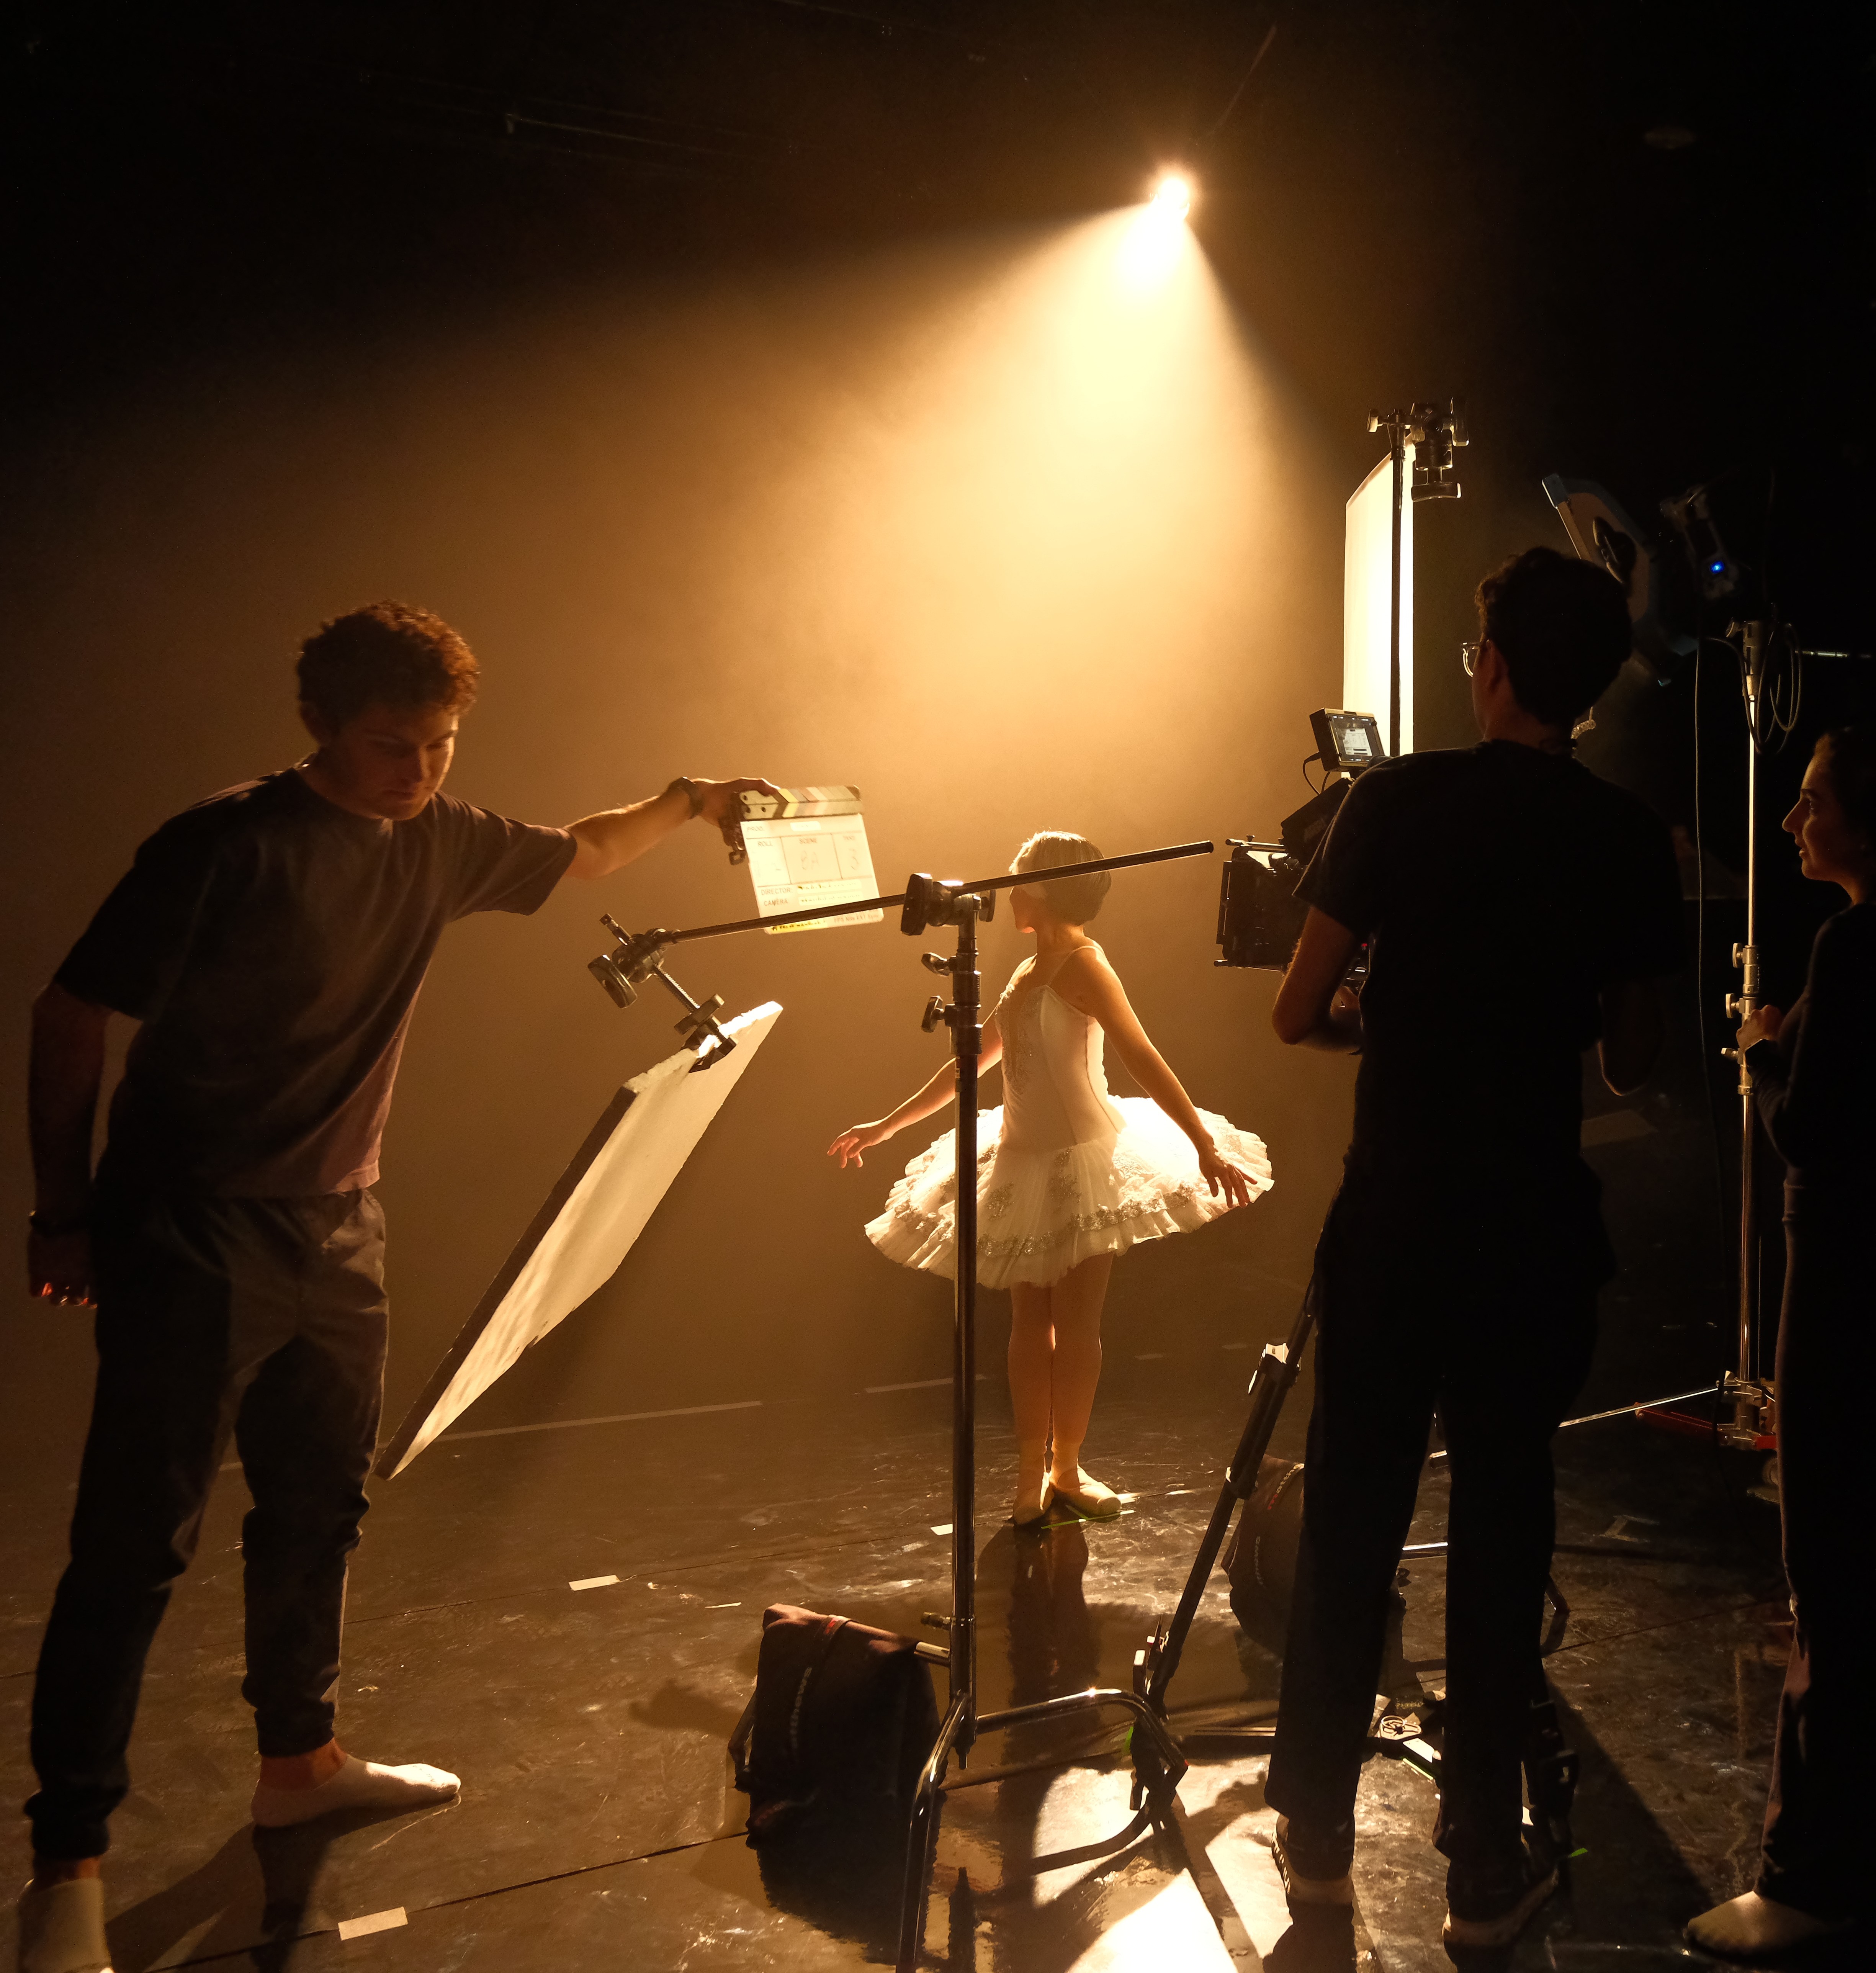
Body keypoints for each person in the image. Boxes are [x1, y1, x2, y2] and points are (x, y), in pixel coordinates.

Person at [16, 600, 779, 1973]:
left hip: (339, 1232)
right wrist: (63, 1214)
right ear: (323, 729)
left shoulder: (442, 842)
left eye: (439, 744)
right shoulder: (224, 843)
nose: (418, 771)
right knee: (137, 1544)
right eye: (390, 745)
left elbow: (590, 846)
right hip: (191, 1231)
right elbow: (73, 1013)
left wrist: (689, 797)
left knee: (319, 1505)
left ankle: (299, 1765)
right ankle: (65, 1864)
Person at [1263, 545, 1686, 1950]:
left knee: (1351, 1522)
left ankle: (1314, 1830)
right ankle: (1481, 1863)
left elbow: (1297, 1011)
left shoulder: (1392, 799)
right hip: (1529, 1232)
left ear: (1489, 664)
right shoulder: (1626, 839)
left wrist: (1391, 1016)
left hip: (1395, 1224)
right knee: (1505, 1528)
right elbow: (1630, 1057)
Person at [1685, 725, 1876, 1960]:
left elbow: (1806, 1132)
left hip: (1846, 1275)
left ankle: (1817, 1870)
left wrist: (1758, 1061)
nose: (1796, 820)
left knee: (1826, 1554)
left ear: (1864, 824)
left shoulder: (1852, 943)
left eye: (1813, 804)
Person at [829, 831, 1268, 1528]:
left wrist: (1204, 1142)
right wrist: (885, 1126)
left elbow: (1142, 1056)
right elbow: (970, 1065)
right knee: (1029, 1326)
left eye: (1018, 880)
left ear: (1045, 888)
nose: (1007, 892)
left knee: (1077, 1324)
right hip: (1018, 1158)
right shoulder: (1027, 969)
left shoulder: (1087, 967)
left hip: (1084, 1161)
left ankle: (1067, 1465)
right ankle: (1032, 1470)